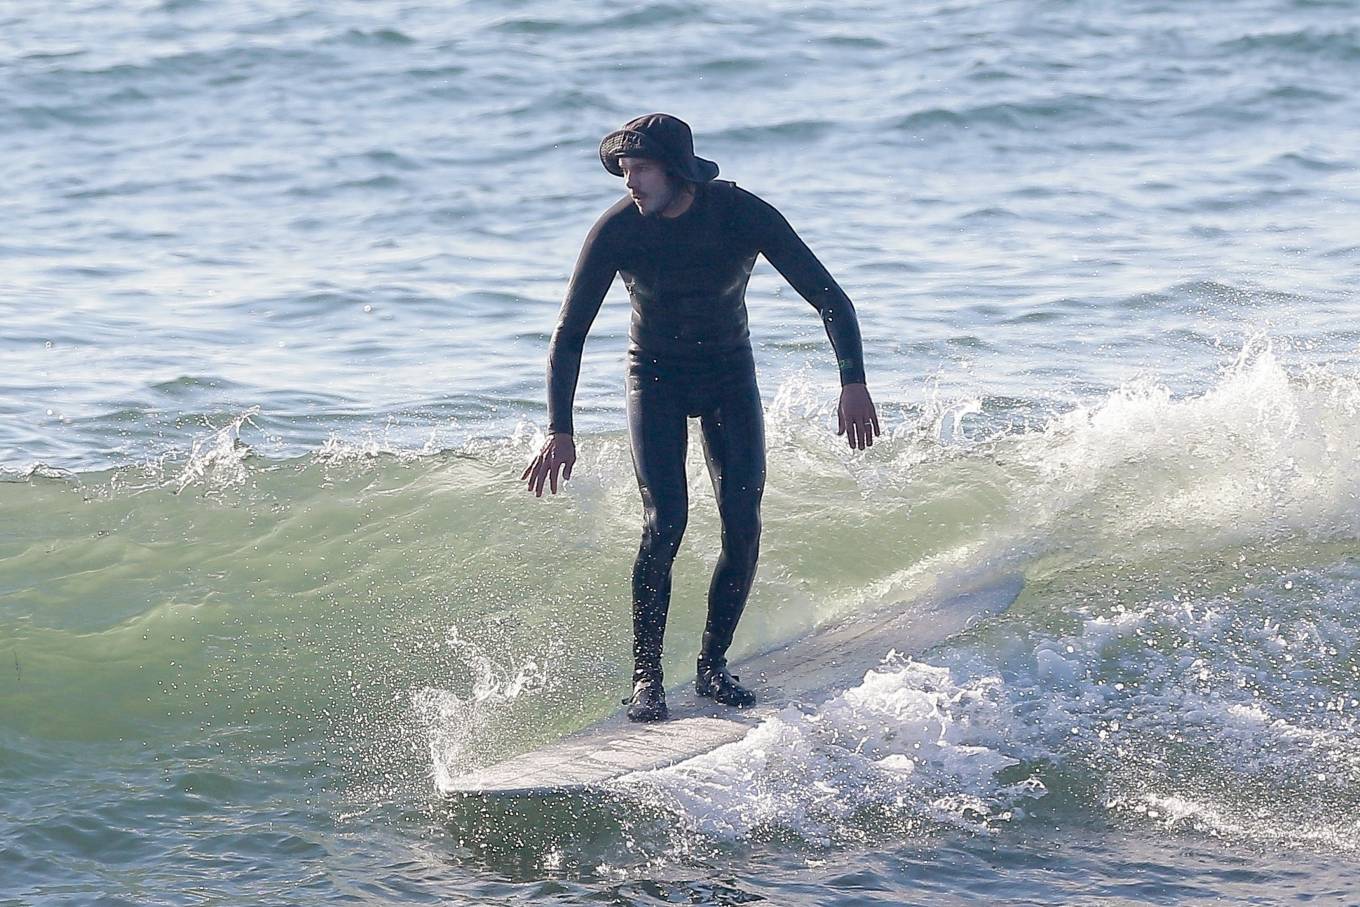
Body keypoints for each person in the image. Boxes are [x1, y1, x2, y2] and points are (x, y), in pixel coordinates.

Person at [521, 113, 879, 722]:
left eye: (639, 169)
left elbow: (830, 298)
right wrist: (560, 428)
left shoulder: (742, 214)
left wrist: (853, 383)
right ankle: (646, 676)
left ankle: (712, 668)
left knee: (742, 520)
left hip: (727, 378)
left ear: (675, 169)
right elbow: (569, 333)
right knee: (666, 521)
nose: (628, 183)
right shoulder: (617, 230)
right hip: (653, 379)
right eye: (623, 171)